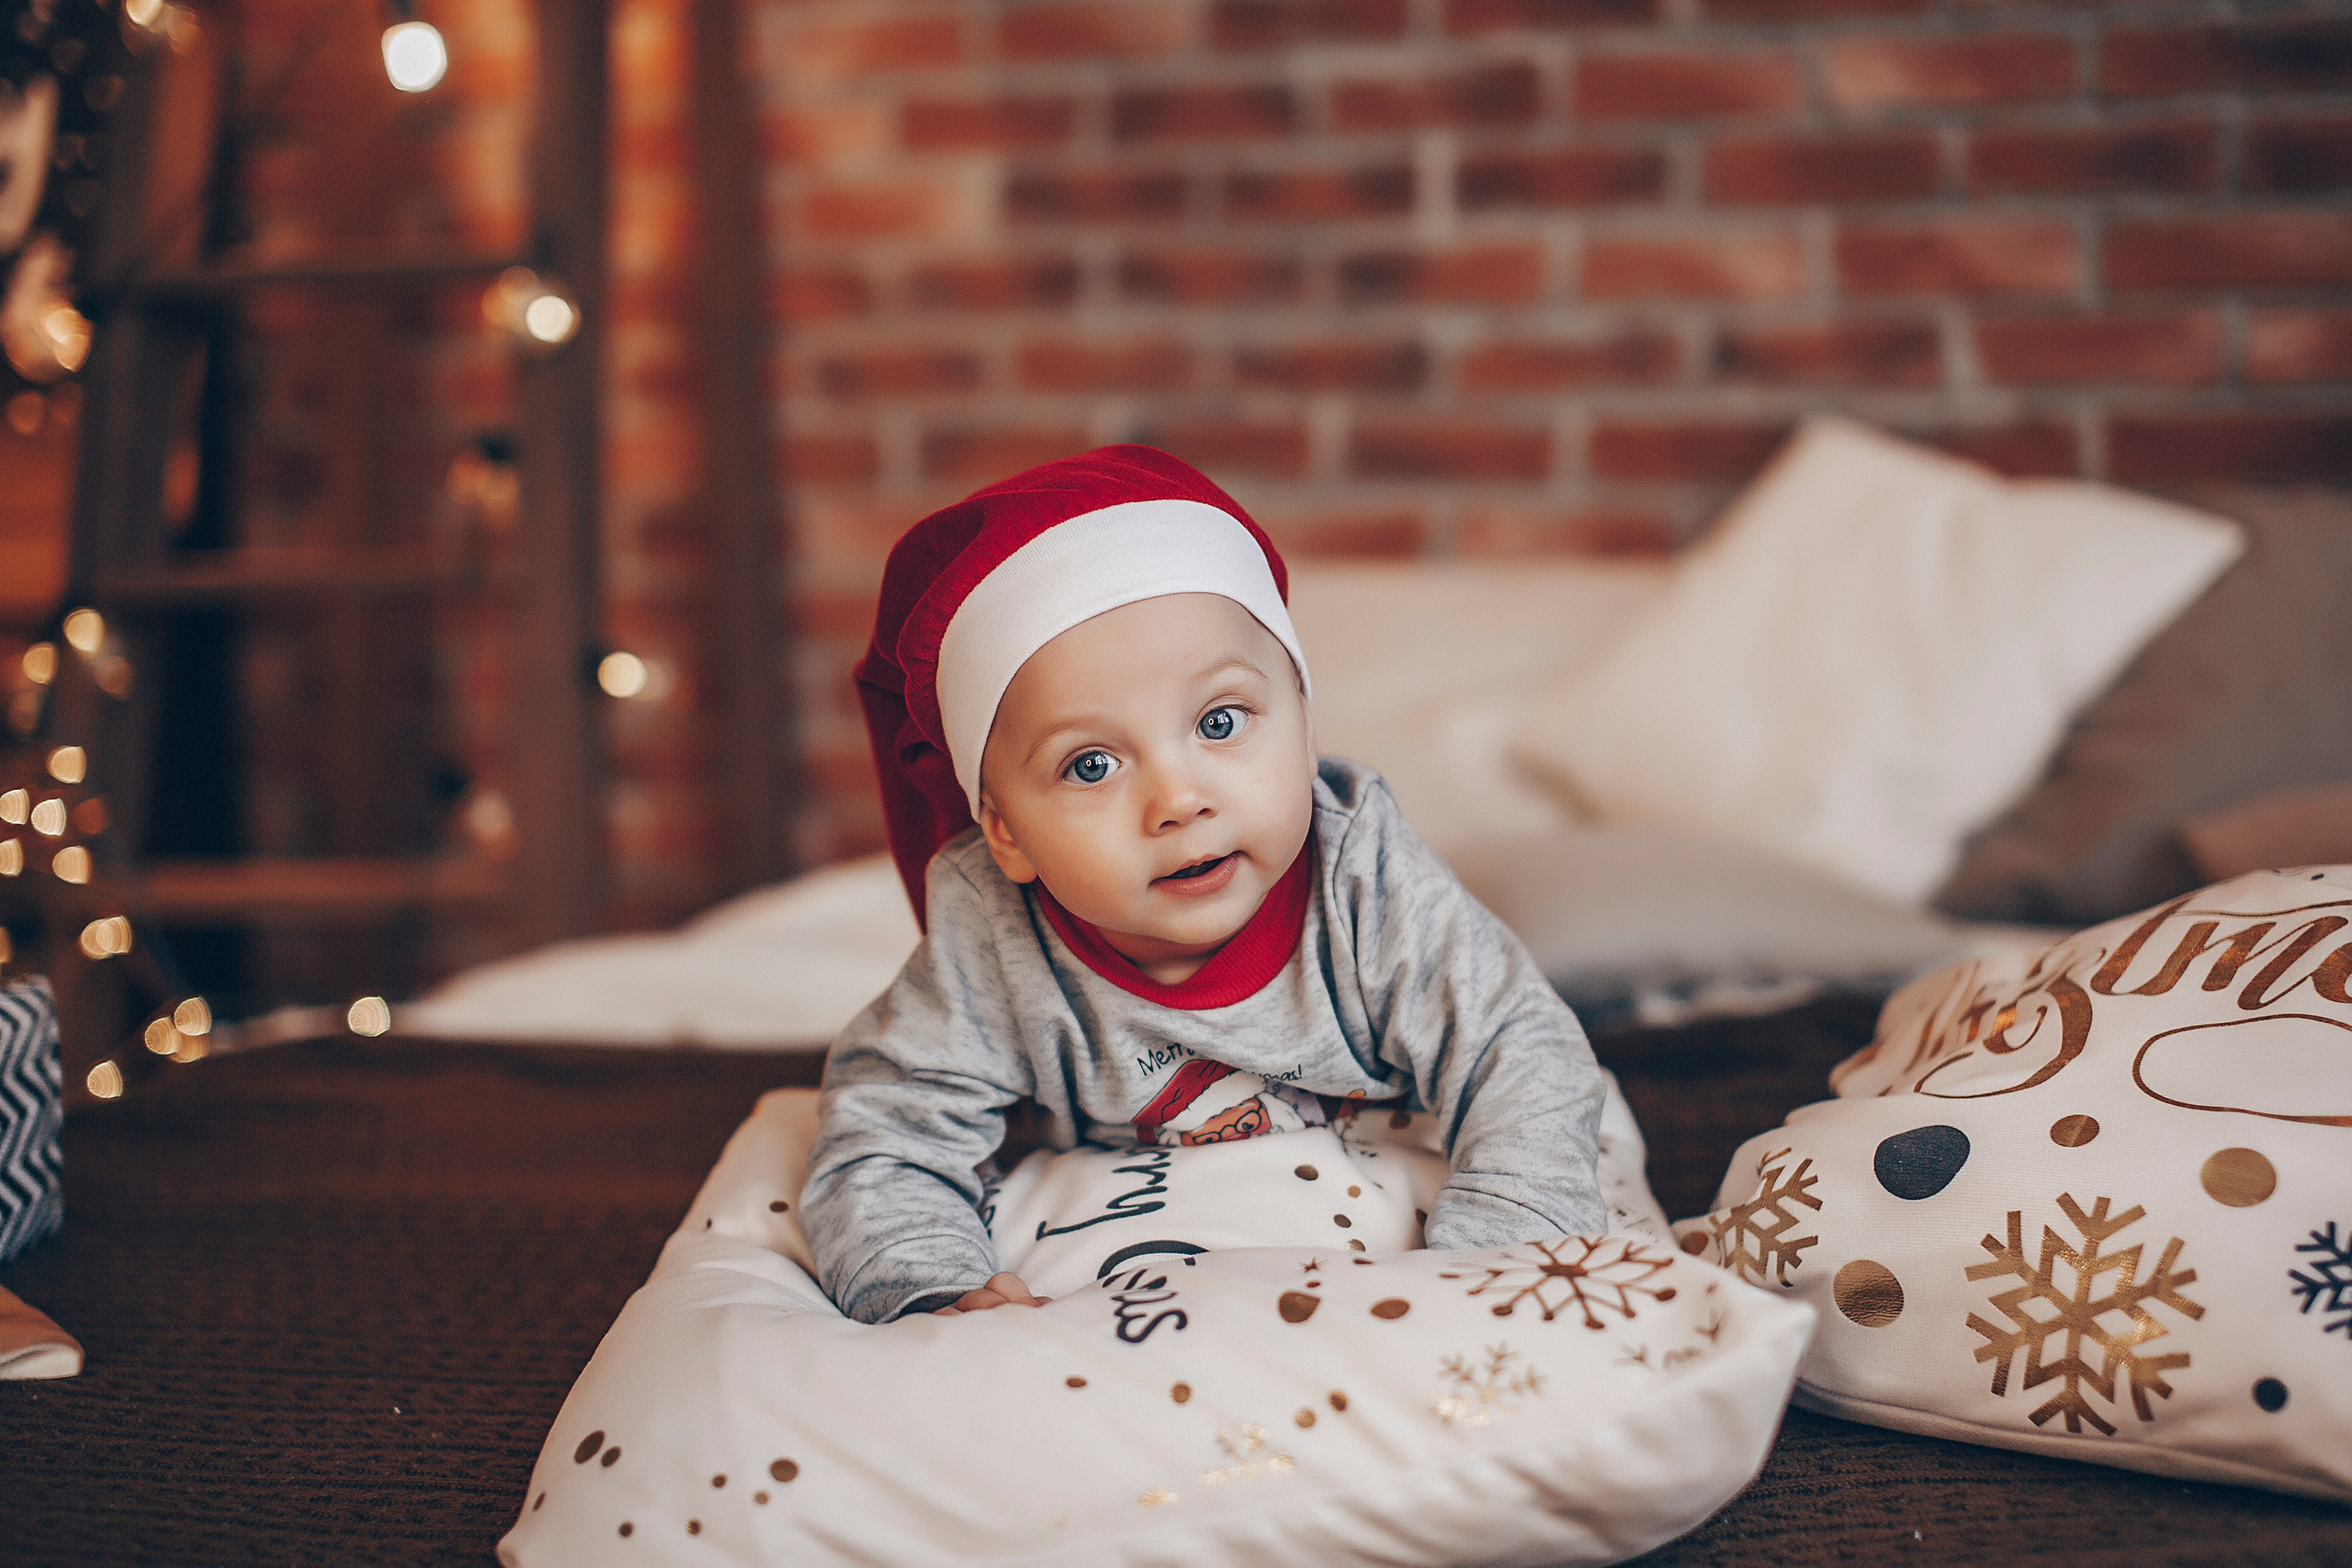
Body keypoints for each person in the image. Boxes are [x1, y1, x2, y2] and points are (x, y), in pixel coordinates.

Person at [801, 446, 1607, 1325]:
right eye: (1092, 763)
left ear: (1304, 726)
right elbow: (883, 1130)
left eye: (1221, 722)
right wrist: (926, 1283)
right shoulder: (990, 933)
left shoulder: (1359, 876)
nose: (1179, 799)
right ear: (1005, 830)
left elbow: (1517, 1046)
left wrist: (1501, 1246)